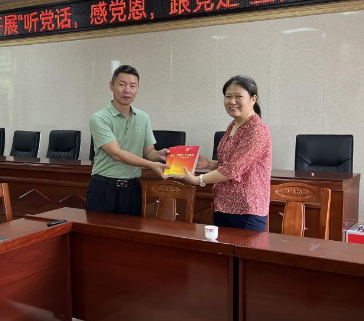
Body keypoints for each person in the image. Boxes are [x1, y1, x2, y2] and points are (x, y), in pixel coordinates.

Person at [180, 75, 272, 231]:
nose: (232, 101)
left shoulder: (257, 129)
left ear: (253, 99)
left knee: (246, 248)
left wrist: (197, 180)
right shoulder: (233, 125)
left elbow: (233, 169)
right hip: (224, 205)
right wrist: (210, 164)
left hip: (246, 209)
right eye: (228, 96)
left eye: (238, 96)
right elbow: (231, 162)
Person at [87, 64, 167, 216]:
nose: (127, 90)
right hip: (105, 187)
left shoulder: (143, 117)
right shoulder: (99, 118)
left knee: (132, 230)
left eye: (132, 86)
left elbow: (148, 152)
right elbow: (116, 153)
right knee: (100, 231)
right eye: (122, 84)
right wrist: (151, 165)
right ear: (112, 85)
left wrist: (160, 155)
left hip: (133, 188)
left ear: (137, 88)